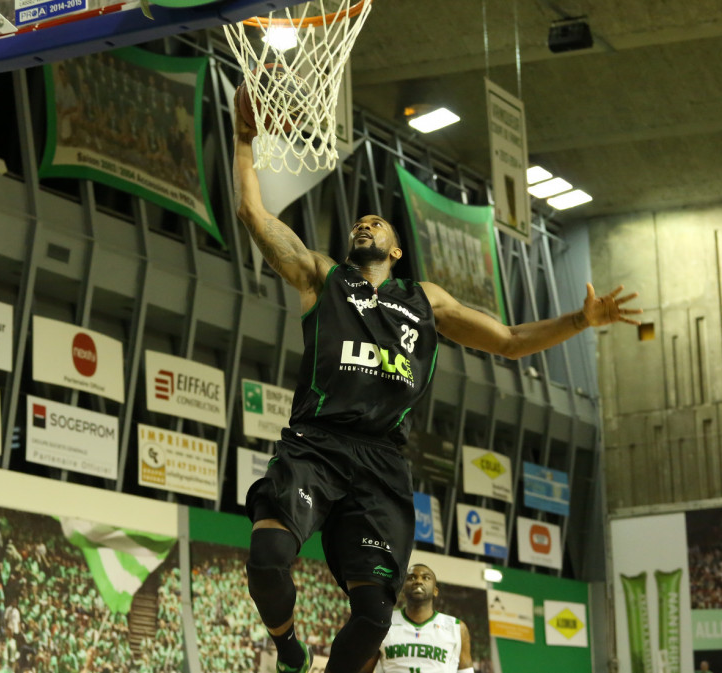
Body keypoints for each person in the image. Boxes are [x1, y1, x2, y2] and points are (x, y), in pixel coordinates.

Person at [232, 96, 641, 673]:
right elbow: (254, 216)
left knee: (375, 617)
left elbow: (509, 340)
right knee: (269, 554)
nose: (365, 222)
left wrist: (581, 320)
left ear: (396, 250)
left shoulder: (427, 301)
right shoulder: (322, 278)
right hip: (317, 443)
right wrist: (244, 143)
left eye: (378, 223)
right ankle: (290, 651)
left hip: (380, 463)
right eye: (359, 221)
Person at [359, 563, 472, 673]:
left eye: (426, 578)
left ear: (435, 591)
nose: (418, 581)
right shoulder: (383, 622)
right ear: (403, 589)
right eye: (411, 578)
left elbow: (466, 670)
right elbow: (364, 670)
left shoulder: (456, 627)